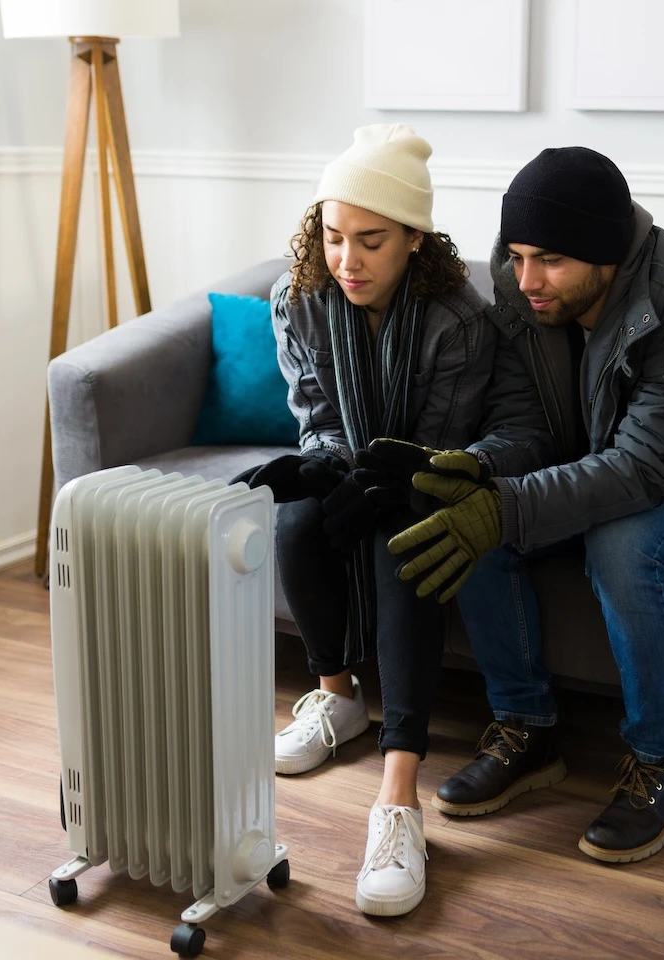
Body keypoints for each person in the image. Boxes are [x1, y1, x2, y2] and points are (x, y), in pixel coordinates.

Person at [380, 146, 664, 864]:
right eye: (515, 256)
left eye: (550, 261)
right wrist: (481, 466)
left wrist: (508, 506)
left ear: (604, 256)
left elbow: (644, 469)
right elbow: (532, 425)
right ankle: (526, 730)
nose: (525, 279)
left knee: (622, 546)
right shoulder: (522, 287)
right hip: (593, 470)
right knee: (471, 517)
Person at [232, 124, 494, 915]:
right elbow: (315, 418)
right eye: (334, 236)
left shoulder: (459, 318)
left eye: (372, 241)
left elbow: (443, 445)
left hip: (423, 477)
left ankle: (398, 800)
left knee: (400, 538)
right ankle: (337, 697)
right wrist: (324, 467)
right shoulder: (298, 299)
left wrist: (389, 474)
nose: (348, 261)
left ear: (415, 238)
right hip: (352, 461)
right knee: (296, 519)